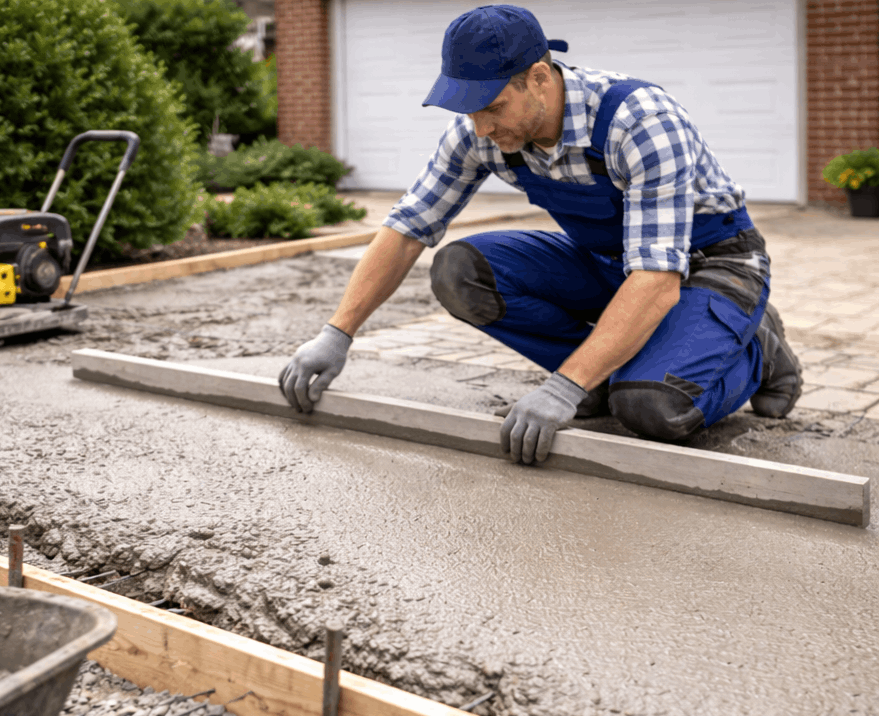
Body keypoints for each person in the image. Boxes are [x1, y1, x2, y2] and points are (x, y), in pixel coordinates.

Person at [278, 4, 802, 464]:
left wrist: (561, 386)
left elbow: (657, 280)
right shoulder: (479, 132)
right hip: (614, 262)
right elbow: (407, 227)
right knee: (461, 271)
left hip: (710, 264)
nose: (480, 128)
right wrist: (337, 333)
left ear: (539, 77)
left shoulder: (639, 120)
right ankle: (596, 377)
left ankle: (758, 351)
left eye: (493, 107)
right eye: (469, 110)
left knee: (650, 407)